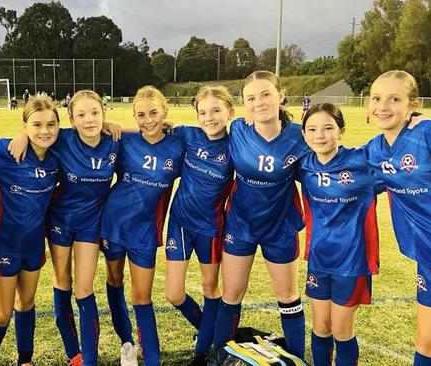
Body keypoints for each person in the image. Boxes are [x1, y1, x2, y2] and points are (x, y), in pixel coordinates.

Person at [6, 90, 122, 366]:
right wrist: (21, 134)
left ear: (103, 112)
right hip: (59, 222)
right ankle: (74, 352)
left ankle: (89, 360)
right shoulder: (63, 138)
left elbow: (139, 133)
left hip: (91, 225)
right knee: (63, 283)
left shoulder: (113, 141)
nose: (89, 119)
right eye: (80, 114)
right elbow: (38, 136)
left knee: (84, 289)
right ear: (70, 119)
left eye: (94, 113)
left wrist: (114, 125)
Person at [214, 71, 309, 360]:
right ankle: (222, 355)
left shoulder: (301, 135)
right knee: (231, 295)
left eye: (266, 94)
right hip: (240, 225)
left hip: (280, 228)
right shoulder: (238, 131)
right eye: (251, 98)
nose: (259, 102)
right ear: (244, 104)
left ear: (281, 96)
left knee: (288, 297)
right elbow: (193, 134)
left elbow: (332, 155)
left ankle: (295, 357)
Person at [364, 70, 431, 366]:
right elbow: (338, 168)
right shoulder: (375, 150)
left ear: (412, 104)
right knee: (428, 344)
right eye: (376, 98)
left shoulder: (430, 132)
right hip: (430, 259)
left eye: (394, 98)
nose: (383, 106)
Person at [100, 86, 185, 366]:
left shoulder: (177, 144)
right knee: (115, 281)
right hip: (114, 223)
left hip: (146, 231)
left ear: (165, 111)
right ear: (133, 116)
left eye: (154, 113)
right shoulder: (126, 140)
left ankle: (152, 358)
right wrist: (111, 125)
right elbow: (91, 130)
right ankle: (127, 344)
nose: (148, 120)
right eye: (141, 115)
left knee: (142, 296)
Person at [299, 103, 384, 366]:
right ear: (303, 135)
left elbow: (397, 160)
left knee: (341, 330)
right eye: (312, 129)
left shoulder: (362, 163)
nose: (320, 135)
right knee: (321, 327)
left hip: (352, 262)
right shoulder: (303, 165)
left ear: (341, 131)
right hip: (319, 258)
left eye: (328, 128)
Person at [0, 95, 60, 366]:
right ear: (24, 126)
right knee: (2, 313)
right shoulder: (5, 151)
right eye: (36, 125)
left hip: (34, 244)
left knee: (26, 303)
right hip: (5, 244)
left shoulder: (57, 155)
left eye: (51, 124)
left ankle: (25, 360)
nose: (44, 131)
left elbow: (93, 132)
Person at [164, 86, 234, 365]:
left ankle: (202, 352)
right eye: (203, 112)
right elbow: (150, 131)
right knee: (173, 293)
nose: (209, 117)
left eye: (216, 110)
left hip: (211, 228)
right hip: (180, 223)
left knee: (210, 289)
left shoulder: (235, 144)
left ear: (230, 112)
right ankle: (212, 330)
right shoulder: (188, 134)